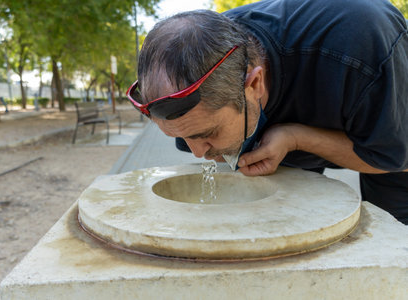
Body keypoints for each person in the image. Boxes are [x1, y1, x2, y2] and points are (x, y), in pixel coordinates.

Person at [126, 0, 408, 224]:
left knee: (392, 230)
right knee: (286, 220)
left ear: (255, 83)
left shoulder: (363, 49)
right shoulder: (195, 84)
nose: (197, 152)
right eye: (184, 138)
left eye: (208, 134)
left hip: (376, 94)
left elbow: (395, 158)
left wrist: (297, 138)